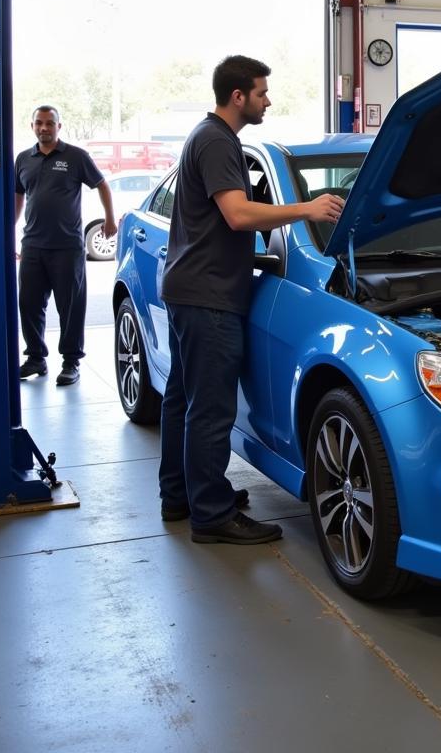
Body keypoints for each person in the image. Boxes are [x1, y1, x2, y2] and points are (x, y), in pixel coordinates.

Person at [159, 55, 344, 545]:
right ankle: (212, 515)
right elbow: (238, 215)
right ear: (238, 96)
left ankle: (183, 494)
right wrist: (308, 208)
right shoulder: (218, 142)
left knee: (184, 399)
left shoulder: (208, 136)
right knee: (211, 409)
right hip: (209, 296)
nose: (268, 100)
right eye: (262, 92)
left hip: (190, 289)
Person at [14, 105, 117, 386]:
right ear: (32, 125)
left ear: (59, 126)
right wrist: (9, 233)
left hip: (67, 247)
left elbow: (102, 185)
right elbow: (19, 197)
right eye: (39, 123)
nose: (44, 128)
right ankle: (36, 357)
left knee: (71, 307)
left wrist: (109, 218)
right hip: (33, 245)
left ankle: (71, 362)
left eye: (49, 123)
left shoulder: (75, 157)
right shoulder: (23, 159)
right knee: (29, 304)